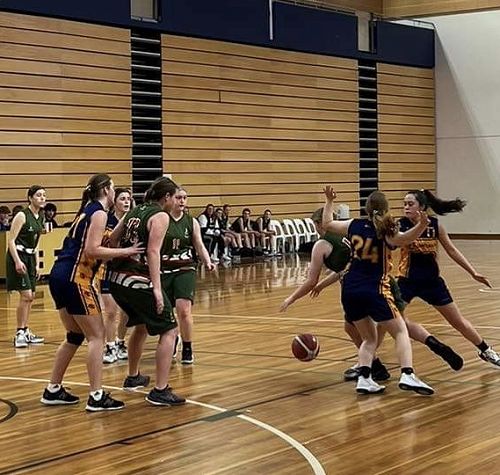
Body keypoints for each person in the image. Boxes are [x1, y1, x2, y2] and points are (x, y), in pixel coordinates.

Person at [41, 174, 142, 411]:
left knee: (74, 336)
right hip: (76, 278)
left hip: (59, 275)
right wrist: (127, 251)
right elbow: (92, 250)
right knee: (97, 337)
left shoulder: (87, 211)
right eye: (113, 189)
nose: (115, 193)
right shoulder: (98, 213)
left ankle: (52, 389)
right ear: (106, 190)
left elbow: (104, 240)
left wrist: (126, 220)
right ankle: (96, 395)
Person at [322, 186, 434, 395]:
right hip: (374, 288)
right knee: (400, 330)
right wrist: (421, 225)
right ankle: (407, 373)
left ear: (366, 208)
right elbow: (405, 239)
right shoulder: (385, 230)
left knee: (369, 339)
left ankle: (365, 378)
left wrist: (329, 201)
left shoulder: (353, 225)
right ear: (385, 209)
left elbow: (327, 224)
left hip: (349, 289)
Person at [279, 207, 391, 381]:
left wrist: (291, 298)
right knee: (359, 327)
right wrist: (322, 286)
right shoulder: (346, 235)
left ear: (319, 223)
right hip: (378, 281)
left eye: (315, 224)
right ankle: (373, 365)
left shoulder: (322, 244)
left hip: (359, 287)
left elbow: (311, 281)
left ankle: (373, 367)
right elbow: (344, 269)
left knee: (373, 331)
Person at [398, 189, 500, 367]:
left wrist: (473, 272)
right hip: (406, 281)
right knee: (388, 320)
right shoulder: (400, 225)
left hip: (432, 283)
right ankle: (370, 361)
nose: (406, 207)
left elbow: (452, 250)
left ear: (422, 207)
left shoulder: (435, 225)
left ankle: (486, 350)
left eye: (410, 204)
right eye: (404, 204)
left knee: (458, 321)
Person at [109, 177, 185, 406]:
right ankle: (160, 390)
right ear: (167, 197)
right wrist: (157, 289)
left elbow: (112, 239)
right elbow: (153, 252)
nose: (177, 202)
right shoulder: (160, 216)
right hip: (137, 279)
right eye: (175, 197)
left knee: (141, 326)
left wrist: (125, 254)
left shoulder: (134, 211)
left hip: (116, 279)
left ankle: (133, 377)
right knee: (170, 330)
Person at [164, 188, 215, 364]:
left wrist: (207, 260)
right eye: (178, 197)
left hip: (185, 267)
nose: (182, 201)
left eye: (185, 198)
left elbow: (199, 244)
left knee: (184, 309)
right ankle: (174, 337)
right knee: (166, 311)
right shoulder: (162, 219)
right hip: (164, 268)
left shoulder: (191, 221)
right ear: (170, 199)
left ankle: (187, 347)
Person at [7, 186, 46, 348]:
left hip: (30, 258)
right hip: (19, 256)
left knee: (31, 297)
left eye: (44, 195)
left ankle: (25, 329)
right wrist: (17, 261)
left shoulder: (41, 216)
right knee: (26, 295)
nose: (42, 198)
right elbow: (11, 240)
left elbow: (36, 242)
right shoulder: (22, 215)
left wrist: (37, 263)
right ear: (30, 198)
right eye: (38, 195)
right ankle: (19, 333)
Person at [101, 187, 132, 364]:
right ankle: (110, 346)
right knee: (111, 311)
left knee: (127, 310)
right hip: (107, 269)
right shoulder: (106, 220)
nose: (126, 201)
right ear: (115, 202)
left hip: (126, 269)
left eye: (128, 198)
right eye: (122, 198)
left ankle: (120, 342)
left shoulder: (133, 222)